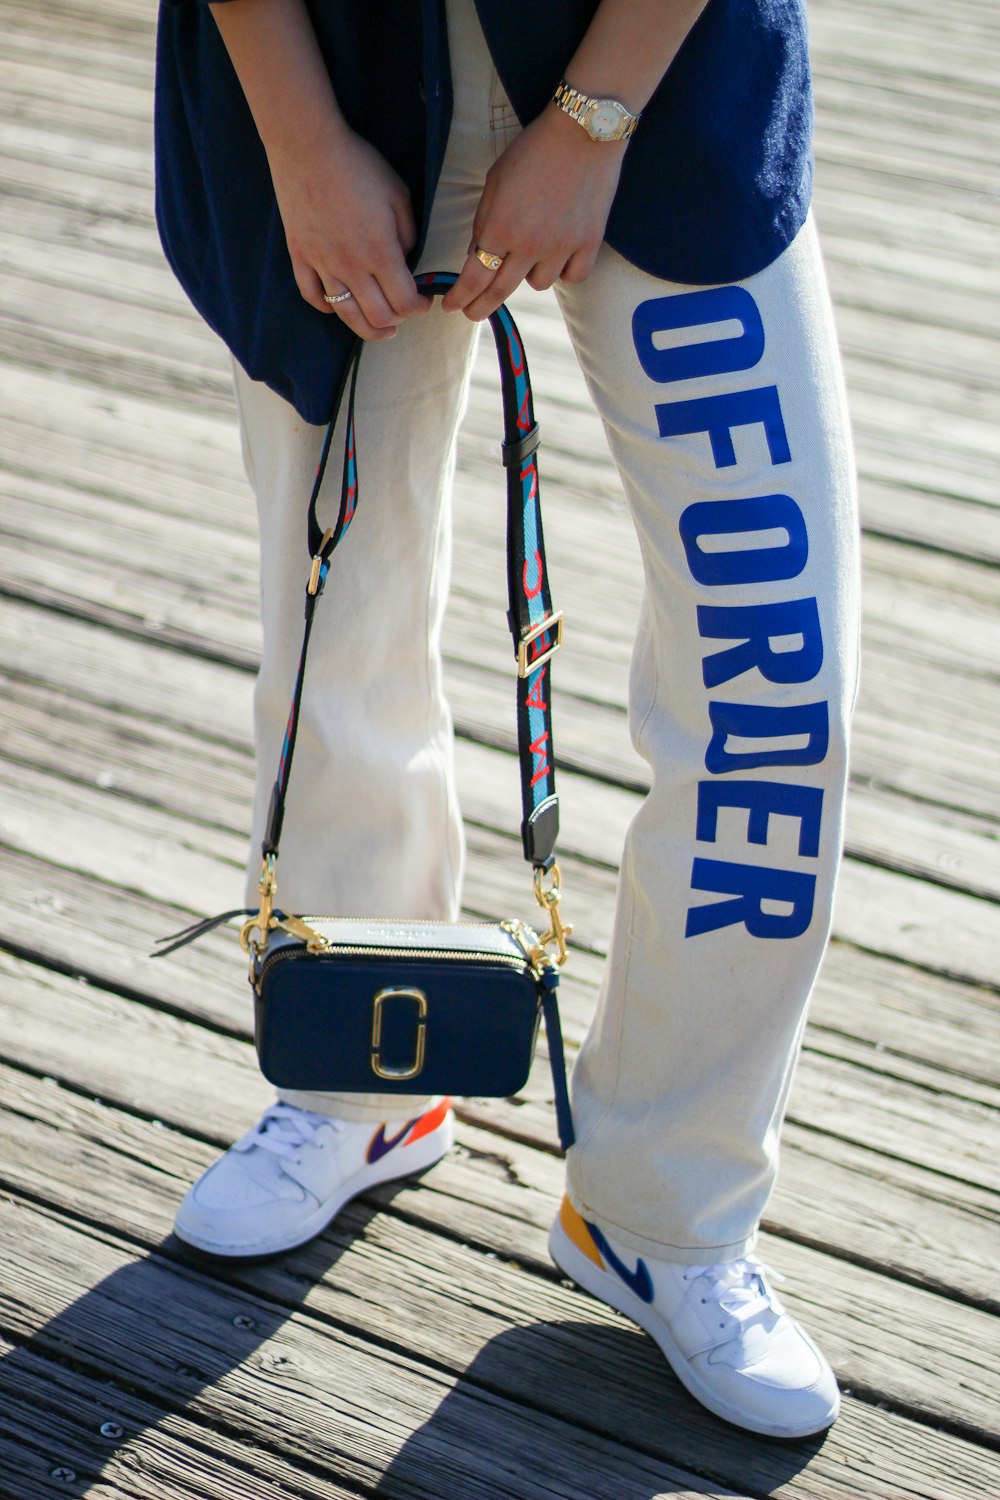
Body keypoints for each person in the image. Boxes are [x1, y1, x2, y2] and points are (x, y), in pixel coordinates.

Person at [155, 0, 859, 1439]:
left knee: (776, 675)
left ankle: (667, 1211)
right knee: (332, 623)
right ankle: (363, 1075)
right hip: (323, 67)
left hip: (666, 72)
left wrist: (594, 115)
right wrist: (299, 141)